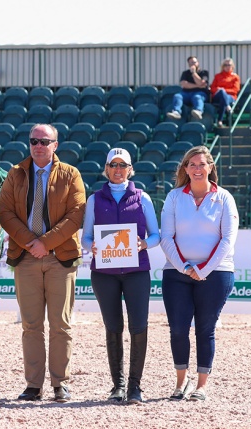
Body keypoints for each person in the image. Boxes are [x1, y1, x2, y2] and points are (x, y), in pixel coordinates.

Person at [0, 123, 86, 403]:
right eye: (34, 140)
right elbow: (5, 213)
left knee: (60, 325)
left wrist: (45, 243)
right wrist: (30, 243)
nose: (38, 145)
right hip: (25, 259)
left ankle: (61, 384)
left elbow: (76, 215)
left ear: (55, 146)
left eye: (44, 141)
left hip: (61, 259)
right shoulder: (15, 174)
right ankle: (33, 386)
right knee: (31, 325)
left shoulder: (71, 174)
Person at [159, 145, 239, 402]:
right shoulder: (173, 197)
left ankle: (202, 385)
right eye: (191, 164)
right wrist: (185, 267)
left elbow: (228, 238)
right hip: (177, 272)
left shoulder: (224, 197)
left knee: (205, 329)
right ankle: (181, 381)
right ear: (184, 169)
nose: (196, 169)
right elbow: (166, 237)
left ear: (210, 167)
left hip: (216, 273)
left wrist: (204, 269)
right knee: (178, 329)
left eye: (201, 164)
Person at [81, 148, 160, 404]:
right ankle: (118, 385)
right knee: (113, 327)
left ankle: (135, 387)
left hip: (137, 271)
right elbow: (86, 237)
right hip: (104, 274)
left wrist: (144, 245)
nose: (117, 169)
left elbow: (156, 235)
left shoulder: (143, 198)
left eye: (122, 165)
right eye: (113, 165)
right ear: (106, 169)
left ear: (130, 169)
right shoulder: (94, 199)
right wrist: (90, 246)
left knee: (139, 326)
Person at [166, 56, 210, 121]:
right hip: (186, 93)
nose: (193, 64)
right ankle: (176, 112)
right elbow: (184, 84)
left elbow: (201, 83)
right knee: (177, 96)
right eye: (191, 63)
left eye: (194, 62)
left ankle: (198, 111)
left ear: (198, 63)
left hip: (200, 93)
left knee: (197, 97)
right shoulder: (185, 73)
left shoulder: (204, 72)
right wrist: (198, 86)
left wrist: (194, 73)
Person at [210, 58, 241, 127]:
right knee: (222, 93)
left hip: (231, 97)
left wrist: (223, 90)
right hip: (217, 96)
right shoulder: (217, 76)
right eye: (225, 65)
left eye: (229, 65)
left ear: (232, 66)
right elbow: (212, 88)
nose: (227, 67)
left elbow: (235, 90)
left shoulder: (235, 77)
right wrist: (220, 90)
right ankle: (227, 107)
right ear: (222, 66)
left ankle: (220, 120)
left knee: (223, 98)